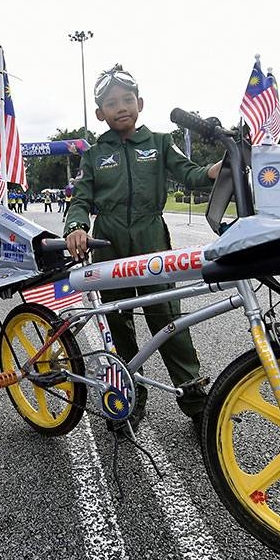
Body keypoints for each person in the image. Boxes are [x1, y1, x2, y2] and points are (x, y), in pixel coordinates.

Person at [64, 64, 221, 431]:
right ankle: (128, 397)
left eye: (127, 99)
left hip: (152, 239)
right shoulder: (92, 154)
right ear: (100, 113)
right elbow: (81, 199)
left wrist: (213, 170)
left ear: (141, 103)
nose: (121, 107)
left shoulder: (160, 143)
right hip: (108, 242)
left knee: (167, 319)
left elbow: (191, 174)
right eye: (111, 103)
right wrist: (75, 226)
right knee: (118, 323)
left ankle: (198, 403)